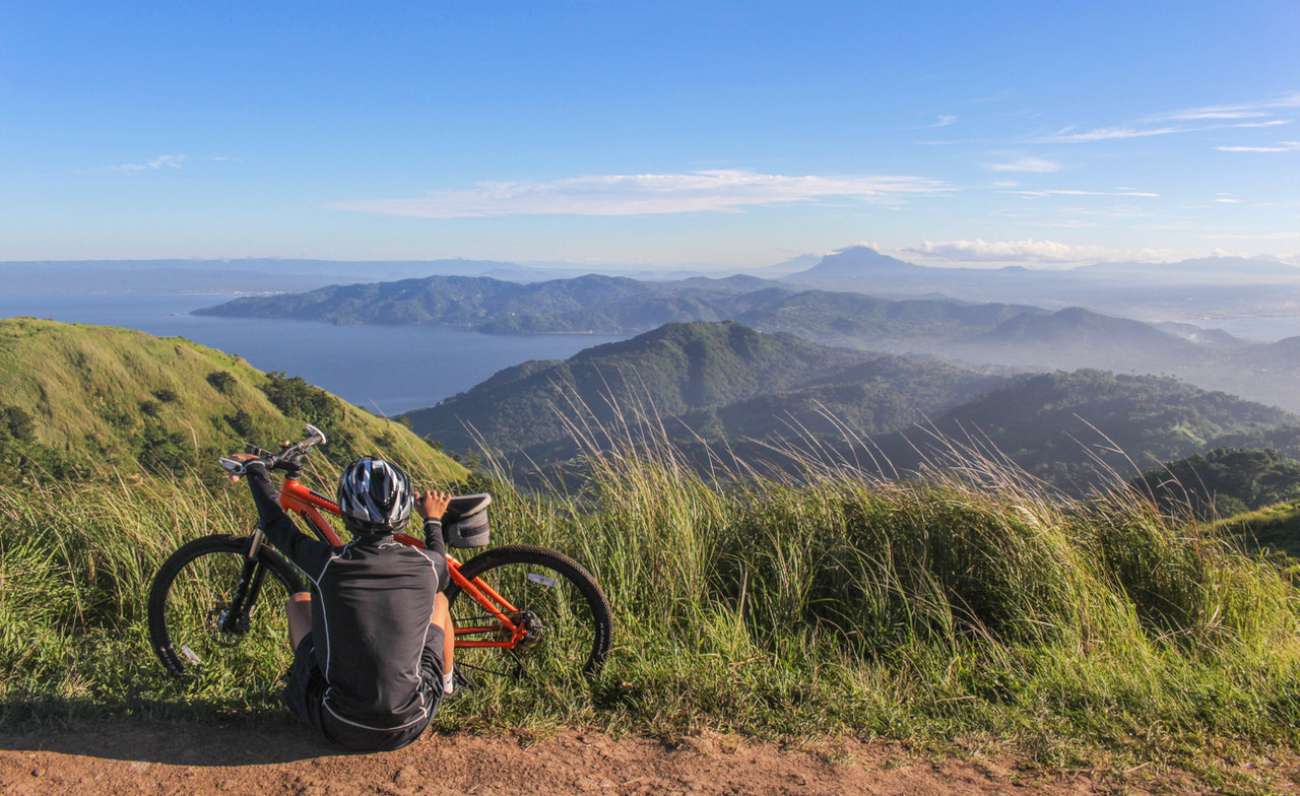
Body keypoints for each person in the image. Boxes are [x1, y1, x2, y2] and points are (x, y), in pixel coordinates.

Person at [228, 452, 454, 751]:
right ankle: (447, 685)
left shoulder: (327, 563)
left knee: (298, 602)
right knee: (440, 601)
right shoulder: (429, 565)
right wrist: (433, 520)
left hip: (339, 724)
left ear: (345, 512)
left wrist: (256, 468)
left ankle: (311, 682)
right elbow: (440, 560)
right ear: (403, 512)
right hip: (411, 722)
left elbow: (275, 522)